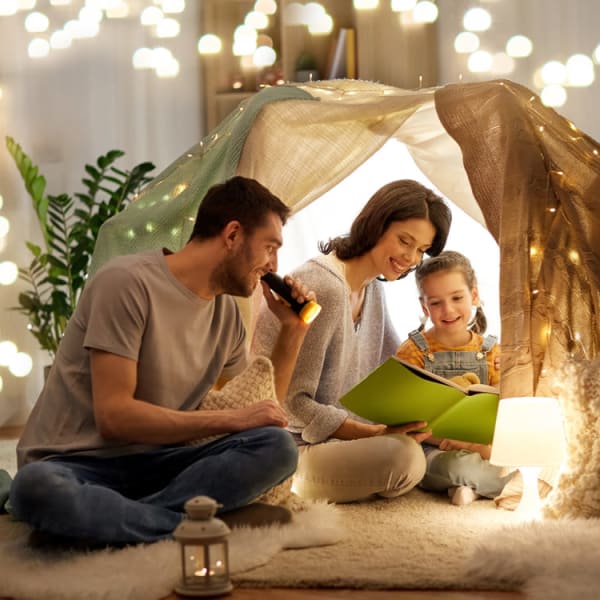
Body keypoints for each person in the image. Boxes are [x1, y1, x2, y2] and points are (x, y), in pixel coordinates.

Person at [9, 176, 316, 546]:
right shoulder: (126, 283)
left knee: (277, 447)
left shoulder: (228, 315)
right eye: (270, 247)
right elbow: (115, 417)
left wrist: (293, 331)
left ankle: (109, 525)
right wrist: (234, 418)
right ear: (233, 235)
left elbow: (262, 412)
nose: (274, 265)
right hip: (76, 463)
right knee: (35, 489)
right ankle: (191, 523)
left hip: (160, 465)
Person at [251, 179, 452, 503]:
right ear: (376, 225)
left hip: (344, 442)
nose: (412, 258)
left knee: (422, 446)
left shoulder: (372, 288)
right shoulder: (324, 287)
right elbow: (292, 405)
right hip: (292, 449)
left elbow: (397, 366)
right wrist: (374, 433)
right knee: (404, 459)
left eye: (422, 250)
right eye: (405, 241)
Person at [395, 250, 512, 505]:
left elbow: (499, 410)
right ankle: (485, 484)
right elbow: (407, 418)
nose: (447, 310)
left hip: (483, 448)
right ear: (424, 306)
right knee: (457, 467)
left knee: (519, 455)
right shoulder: (412, 351)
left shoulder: (492, 350)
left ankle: (471, 487)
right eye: (435, 303)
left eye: (457, 297)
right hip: (433, 449)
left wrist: (508, 377)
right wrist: (455, 442)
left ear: (475, 296)